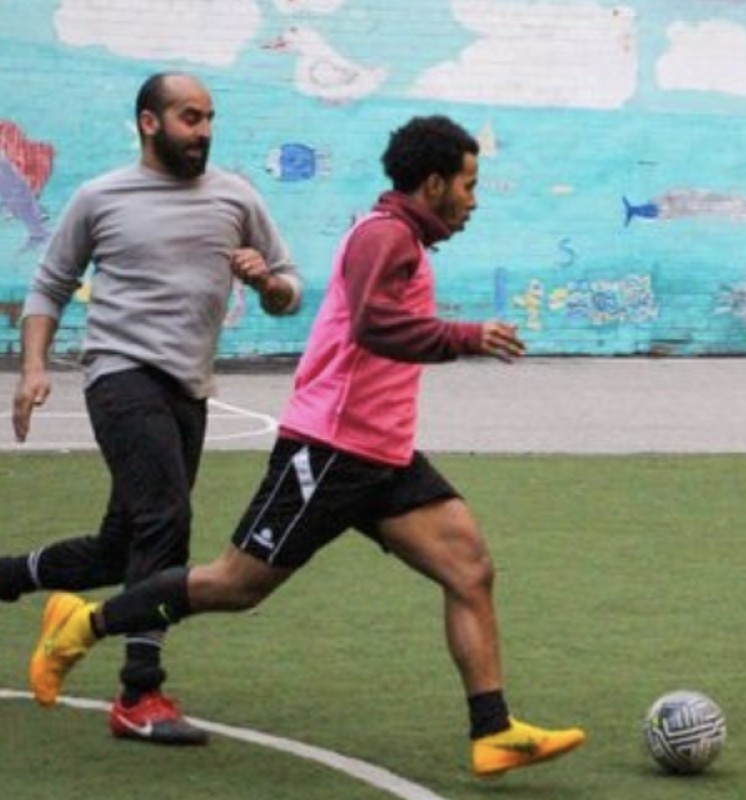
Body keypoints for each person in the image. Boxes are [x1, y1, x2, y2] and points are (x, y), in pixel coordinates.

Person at [27, 115, 585, 776]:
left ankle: (493, 730)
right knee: (236, 585)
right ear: (433, 183)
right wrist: (466, 336)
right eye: (468, 183)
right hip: (329, 449)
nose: (474, 197)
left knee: (469, 567)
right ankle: (82, 624)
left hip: (384, 454)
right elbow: (378, 326)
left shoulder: (403, 238)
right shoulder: (383, 238)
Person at [6, 72, 302, 746]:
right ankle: (139, 693)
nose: (203, 131)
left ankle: (6, 578)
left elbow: (289, 291)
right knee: (166, 520)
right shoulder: (99, 196)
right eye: (189, 118)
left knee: (124, 548)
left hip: (189, 388)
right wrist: (30, 371)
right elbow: (49, 286)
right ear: (149, 122)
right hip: (119, 375)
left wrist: (265, 283)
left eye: (209, 118)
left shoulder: (236, 196)